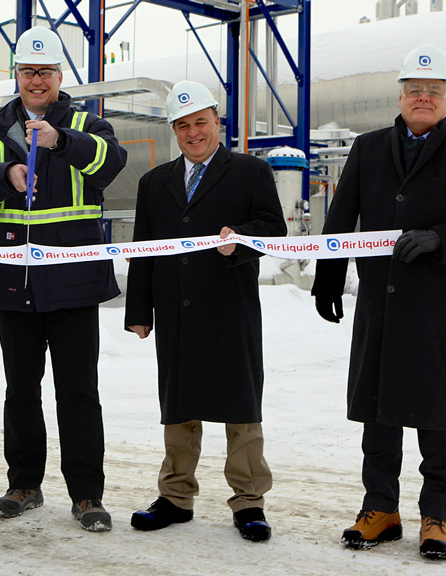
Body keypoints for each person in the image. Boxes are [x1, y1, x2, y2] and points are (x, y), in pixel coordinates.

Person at [311, 43, 446, 560]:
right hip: (381, 300)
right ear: (400, 96)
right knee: (378, 410)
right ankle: (381, 508)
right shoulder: (369, 148)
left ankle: (436, 516)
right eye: (414, 90)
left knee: (437, 415)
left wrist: (443, 238)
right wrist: (327, 279)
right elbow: (341, 218)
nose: (423, 98)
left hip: (436, 306)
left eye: (433, 92)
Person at [0, 25, 127, 532]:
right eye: (28, 72)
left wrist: (62, 142)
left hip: (72, 282)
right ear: (17, 75)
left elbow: (110, 165)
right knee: (20, 390)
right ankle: (24, 484)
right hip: (14, 280)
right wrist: (4, 175)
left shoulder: (87, 124)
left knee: (78, 391)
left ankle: (86, 495)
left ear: (59, 76)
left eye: (46, 72)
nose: (36, 81)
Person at [124, 80, 287, 542]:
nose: (193, 133)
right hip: (176, 310)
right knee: (178, 406)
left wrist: (240, 238)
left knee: (241, 407)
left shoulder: (251, 173)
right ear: (174, 131)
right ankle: (175, 496)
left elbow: (272, 229)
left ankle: (249, 500)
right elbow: (144, 249)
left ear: (217, 121)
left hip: (229, 309)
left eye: (200, 122)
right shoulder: (154, 183)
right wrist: (139, 309)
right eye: (183, 126)